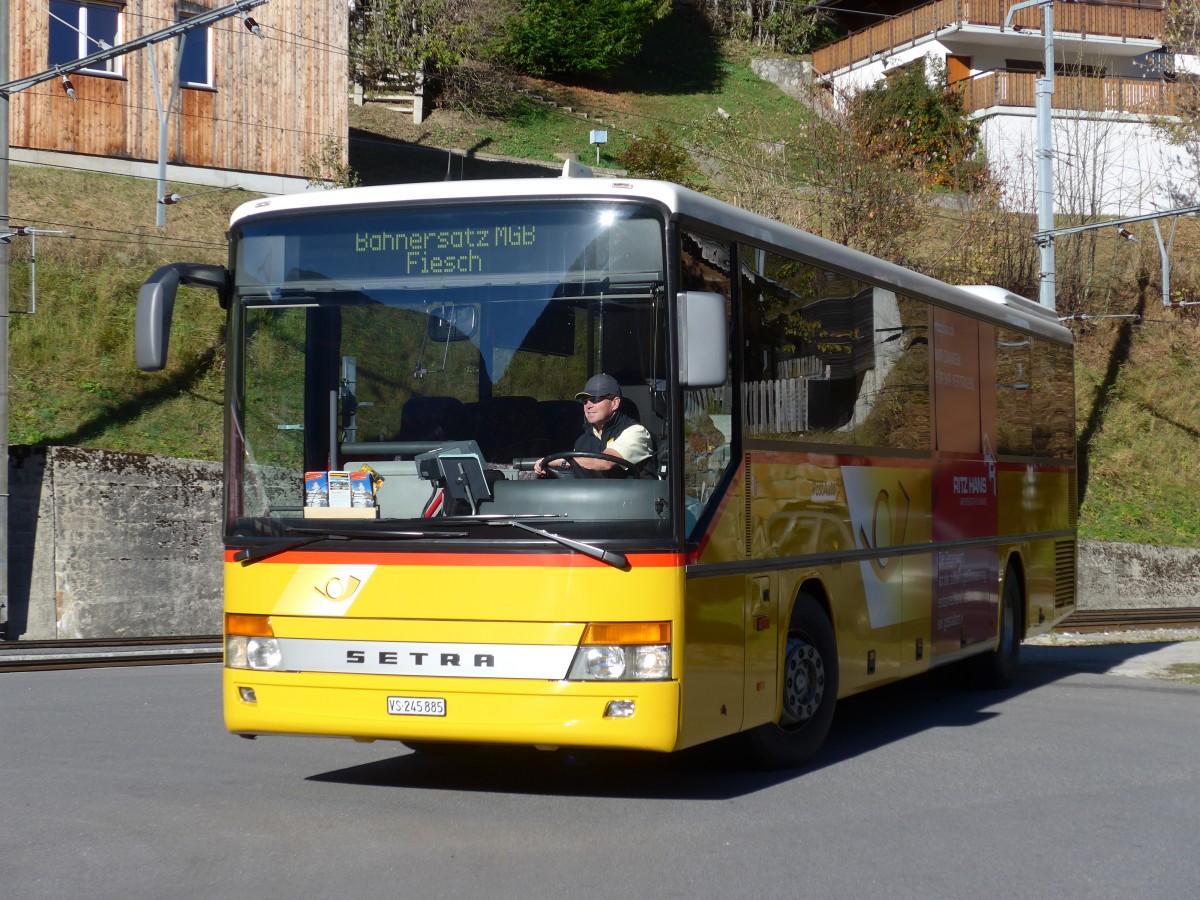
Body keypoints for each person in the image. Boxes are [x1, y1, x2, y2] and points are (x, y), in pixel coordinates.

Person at [534, 373, 654, 477]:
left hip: (634, 497)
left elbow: (604, 462)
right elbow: (574, 471)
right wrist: (547, 469)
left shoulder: (636, 432)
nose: (588, 405)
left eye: (595, 399)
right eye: (585, 400)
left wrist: (560, 461)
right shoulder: (581, 442)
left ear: (615, 403)